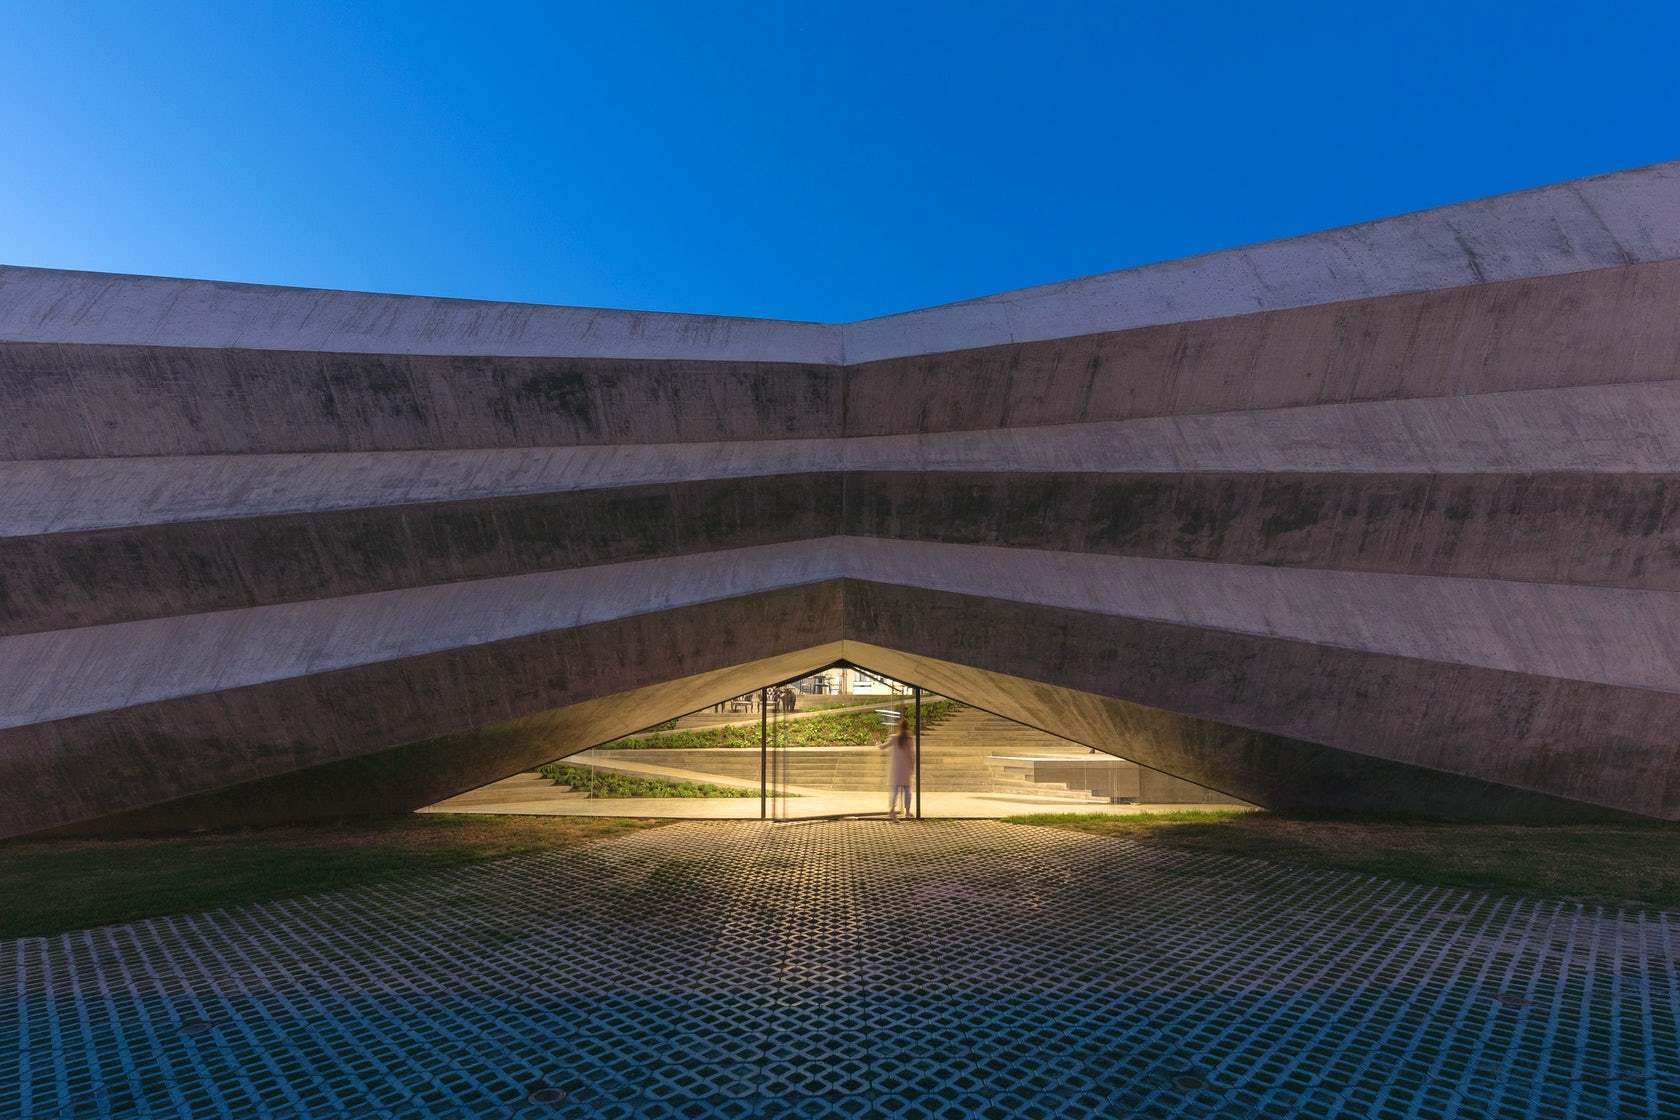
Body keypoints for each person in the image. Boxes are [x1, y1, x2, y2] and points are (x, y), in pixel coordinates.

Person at [880, 712, 914, 821]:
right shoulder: (909, 739)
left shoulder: (894, 738)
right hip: (905, 769)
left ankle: (892, 812)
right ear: (907, 727)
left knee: (894, 791)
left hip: (895, 770)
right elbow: (911, 754)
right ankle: (907, 812)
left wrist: (877, 742)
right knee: (907, 791)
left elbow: (882, 747)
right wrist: (912, 767)